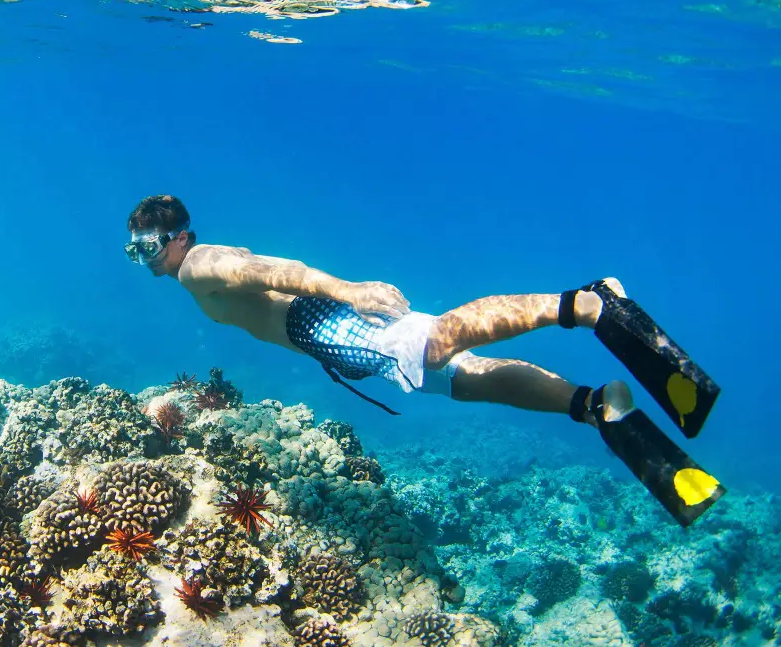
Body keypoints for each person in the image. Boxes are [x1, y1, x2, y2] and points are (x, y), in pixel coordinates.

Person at [123, 194, 728, 527]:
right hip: (329, 338)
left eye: (150, 246)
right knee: (463, 380)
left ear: (179, 237)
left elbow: (272, 271)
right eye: (134, 251)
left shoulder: (198, 265)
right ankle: (593, 405)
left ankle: (587, 304)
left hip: (328, 324)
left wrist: (347, 292)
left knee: (439, 340)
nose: (145, 258)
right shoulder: (193, 271)